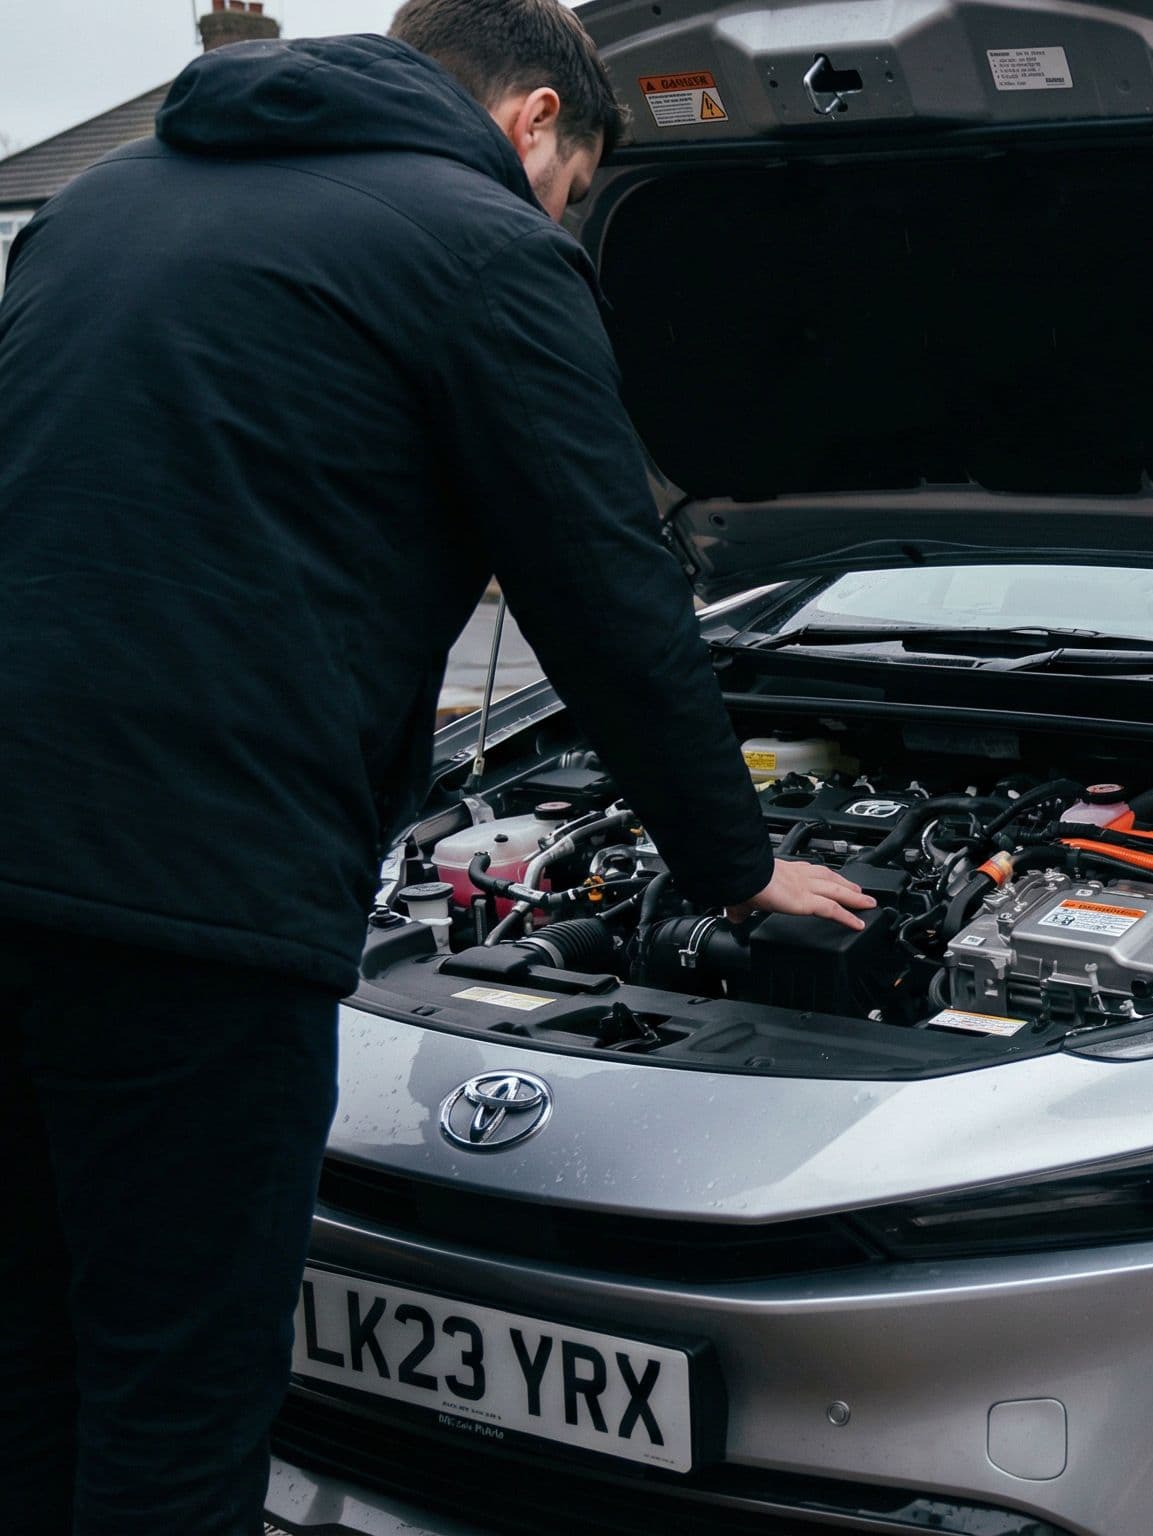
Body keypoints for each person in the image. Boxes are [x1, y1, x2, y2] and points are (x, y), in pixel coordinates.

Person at [0, 1, 874, 1528]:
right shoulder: (478, 240)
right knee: (178, 1400)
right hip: (191, 903)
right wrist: (737, 864)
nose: (565, 221)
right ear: (536, 122)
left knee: (31, 1358)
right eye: (582, 190)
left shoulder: (99, 205)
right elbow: (604, 594)